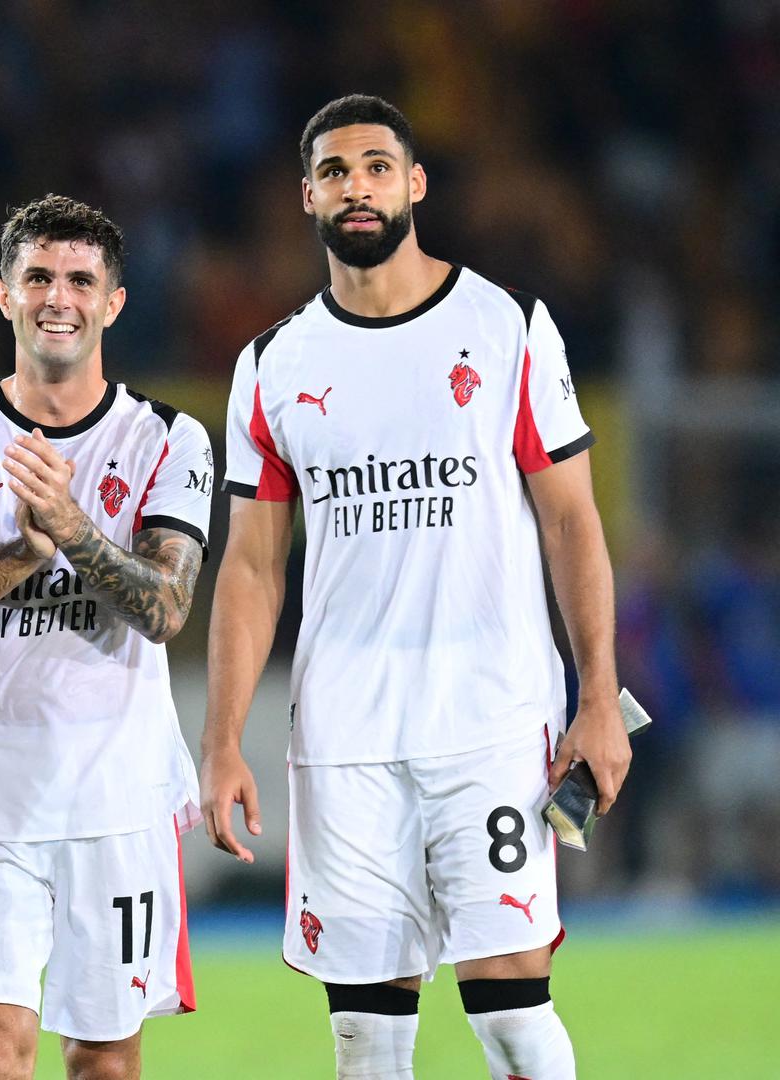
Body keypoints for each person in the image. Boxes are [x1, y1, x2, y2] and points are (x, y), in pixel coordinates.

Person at [200, 94, 631, 1080]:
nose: (357, 187)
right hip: (345, 734)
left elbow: (572, 521)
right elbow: (252, 566)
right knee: (364, 1038)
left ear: (414, 184)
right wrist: (221, 741)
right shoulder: (270, 366)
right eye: (335, 172)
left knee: (512, 1017)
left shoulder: (506, 327)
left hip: (490, 719)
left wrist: (598, 696)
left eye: (376, 167)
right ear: (306, 196)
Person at [0, 195, 211, 1080]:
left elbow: (166, 608)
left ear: (114, 303)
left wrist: (70, 527)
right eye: (37, 277)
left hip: (118, 798)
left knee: (104, 1061)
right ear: (3, 295)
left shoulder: (167, 438)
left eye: (79, 280)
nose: (57, 297)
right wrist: (22, 557)